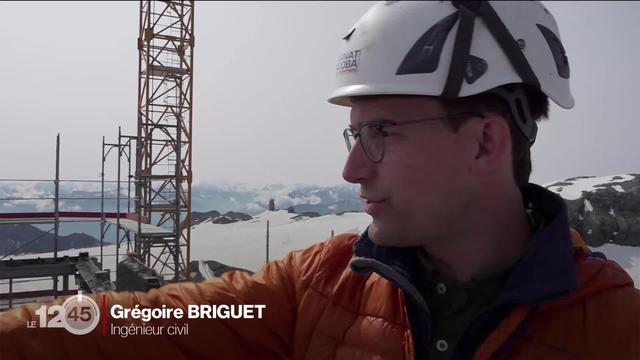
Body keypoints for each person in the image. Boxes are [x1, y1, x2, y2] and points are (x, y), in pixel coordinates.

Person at [1, 1, 639, 359]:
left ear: (484, 140)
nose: (351, 168)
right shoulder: (320, 285)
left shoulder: (616, 330)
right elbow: (143, 325)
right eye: (352, 134)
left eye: (380, 133)